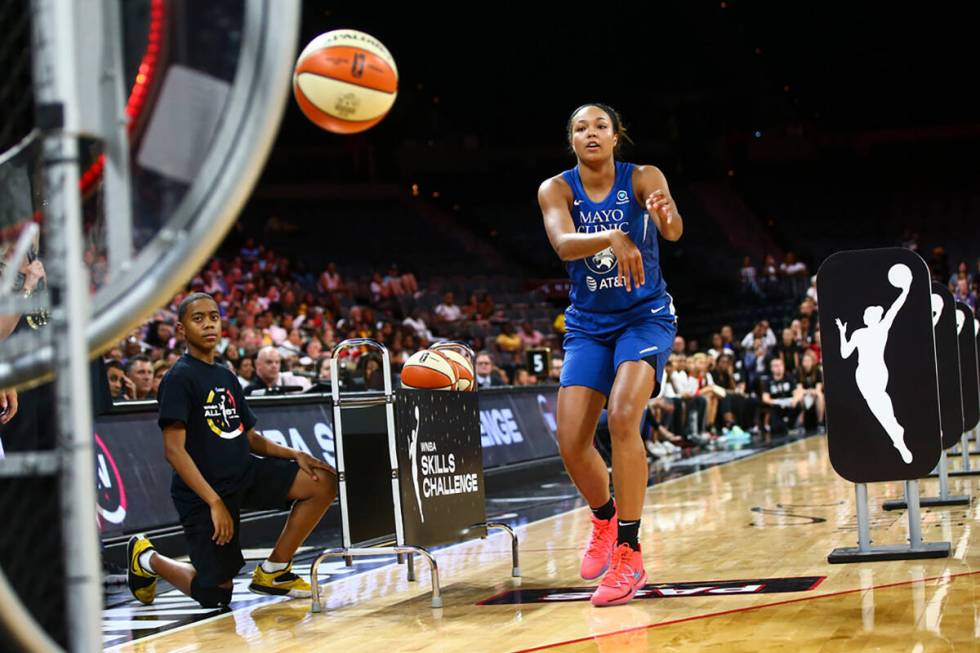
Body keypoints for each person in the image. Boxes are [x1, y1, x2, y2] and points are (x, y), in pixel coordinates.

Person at [537, 103, 682, 606]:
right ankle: (603, 517)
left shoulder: (641, 176)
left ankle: (629, 551)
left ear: (617, 136)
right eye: (581, 127)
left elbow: (674, 231)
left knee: (623, 416)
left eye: (600, 126)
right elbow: (561, 243)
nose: (591, 133)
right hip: (588, 325)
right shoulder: (555, 189)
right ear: (571, 140)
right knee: (572, 441)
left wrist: (665, 215)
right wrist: (613, 236)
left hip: (644, 317)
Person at [126, 292, 337, 609]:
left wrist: (293, 454)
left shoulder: (225, 374)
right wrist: (214, 502)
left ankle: (275, 571)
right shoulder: (178, 378)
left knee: (322, 480)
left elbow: (249, 437)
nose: (209, 324)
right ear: (181, 330)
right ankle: (146, 557)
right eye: (198, 319)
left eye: (213, 317)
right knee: (216, 594)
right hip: (204, 491)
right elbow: (174, 452)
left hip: (243, 472)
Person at [245, 346, 311, 395]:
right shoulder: (250, 391)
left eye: (277, 362)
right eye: (269, 362)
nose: (274, 366)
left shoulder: (286, 383)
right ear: (257, 364)